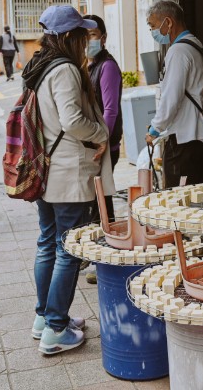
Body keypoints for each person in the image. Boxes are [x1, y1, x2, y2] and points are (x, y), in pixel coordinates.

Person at [23, 4, 115, 356]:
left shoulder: (40, 66)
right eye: (82, 35)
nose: (86, 41)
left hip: (46, 171)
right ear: (68, 37)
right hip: (67, 173)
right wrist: (101, 133)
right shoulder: (64, 70)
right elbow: (73, 120)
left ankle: (45, 318)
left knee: (48, 243)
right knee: (67, 250)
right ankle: (56, 330)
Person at [144, 0, 203, 187]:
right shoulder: (195, 44)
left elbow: (171, 97)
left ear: (168, 22)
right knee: (196, 198)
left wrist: (154, 129)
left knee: (179, 202)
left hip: (187, 140)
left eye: (153, 26)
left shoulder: (178, 51)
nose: (153, 32)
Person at [82, 14, 122, 284]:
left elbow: (110, 109)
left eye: (93, 36)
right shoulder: (90, 64)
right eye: (84, 37)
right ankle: (102, 255)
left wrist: (102, 141)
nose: (88, 41)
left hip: (105, 145)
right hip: (98, 144)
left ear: (103, 38)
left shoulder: (107, 67)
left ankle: (108, 258)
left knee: (103, 202)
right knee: (98, 202)